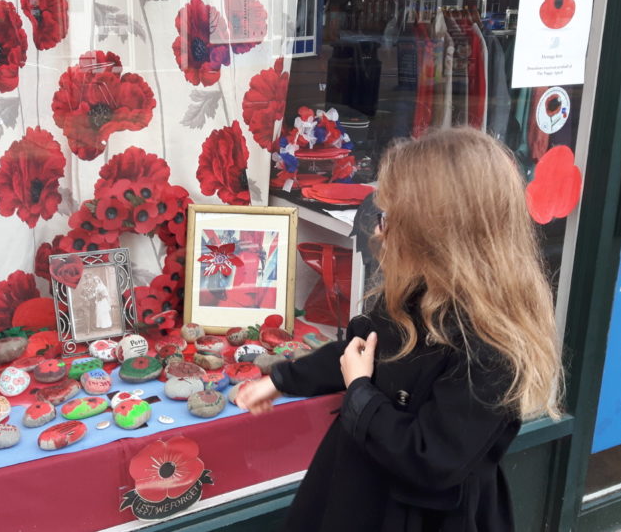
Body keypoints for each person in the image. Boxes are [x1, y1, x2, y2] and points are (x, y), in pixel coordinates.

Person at [238, 127, 563, 532]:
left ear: (437, 233)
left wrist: (360, 393)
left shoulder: (491, 345)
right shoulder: (416, 296)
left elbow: (431, 459)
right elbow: (356, 351)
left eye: (389, 218)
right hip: (358, 494)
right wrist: (283, 379)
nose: (378, 230)